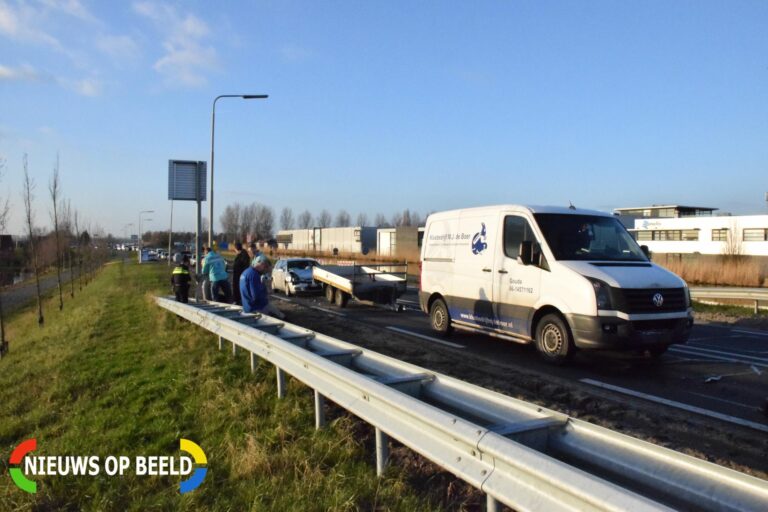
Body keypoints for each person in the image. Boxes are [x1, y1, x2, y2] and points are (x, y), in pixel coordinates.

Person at [240, 254, 285, 319]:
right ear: (262, 265)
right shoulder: (254, 275)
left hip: (247, 306)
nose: (265, 272)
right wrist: (265, 292)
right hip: (256, 307)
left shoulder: (247, 272)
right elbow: (255, 296)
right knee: (281, 317)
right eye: (265, 269)